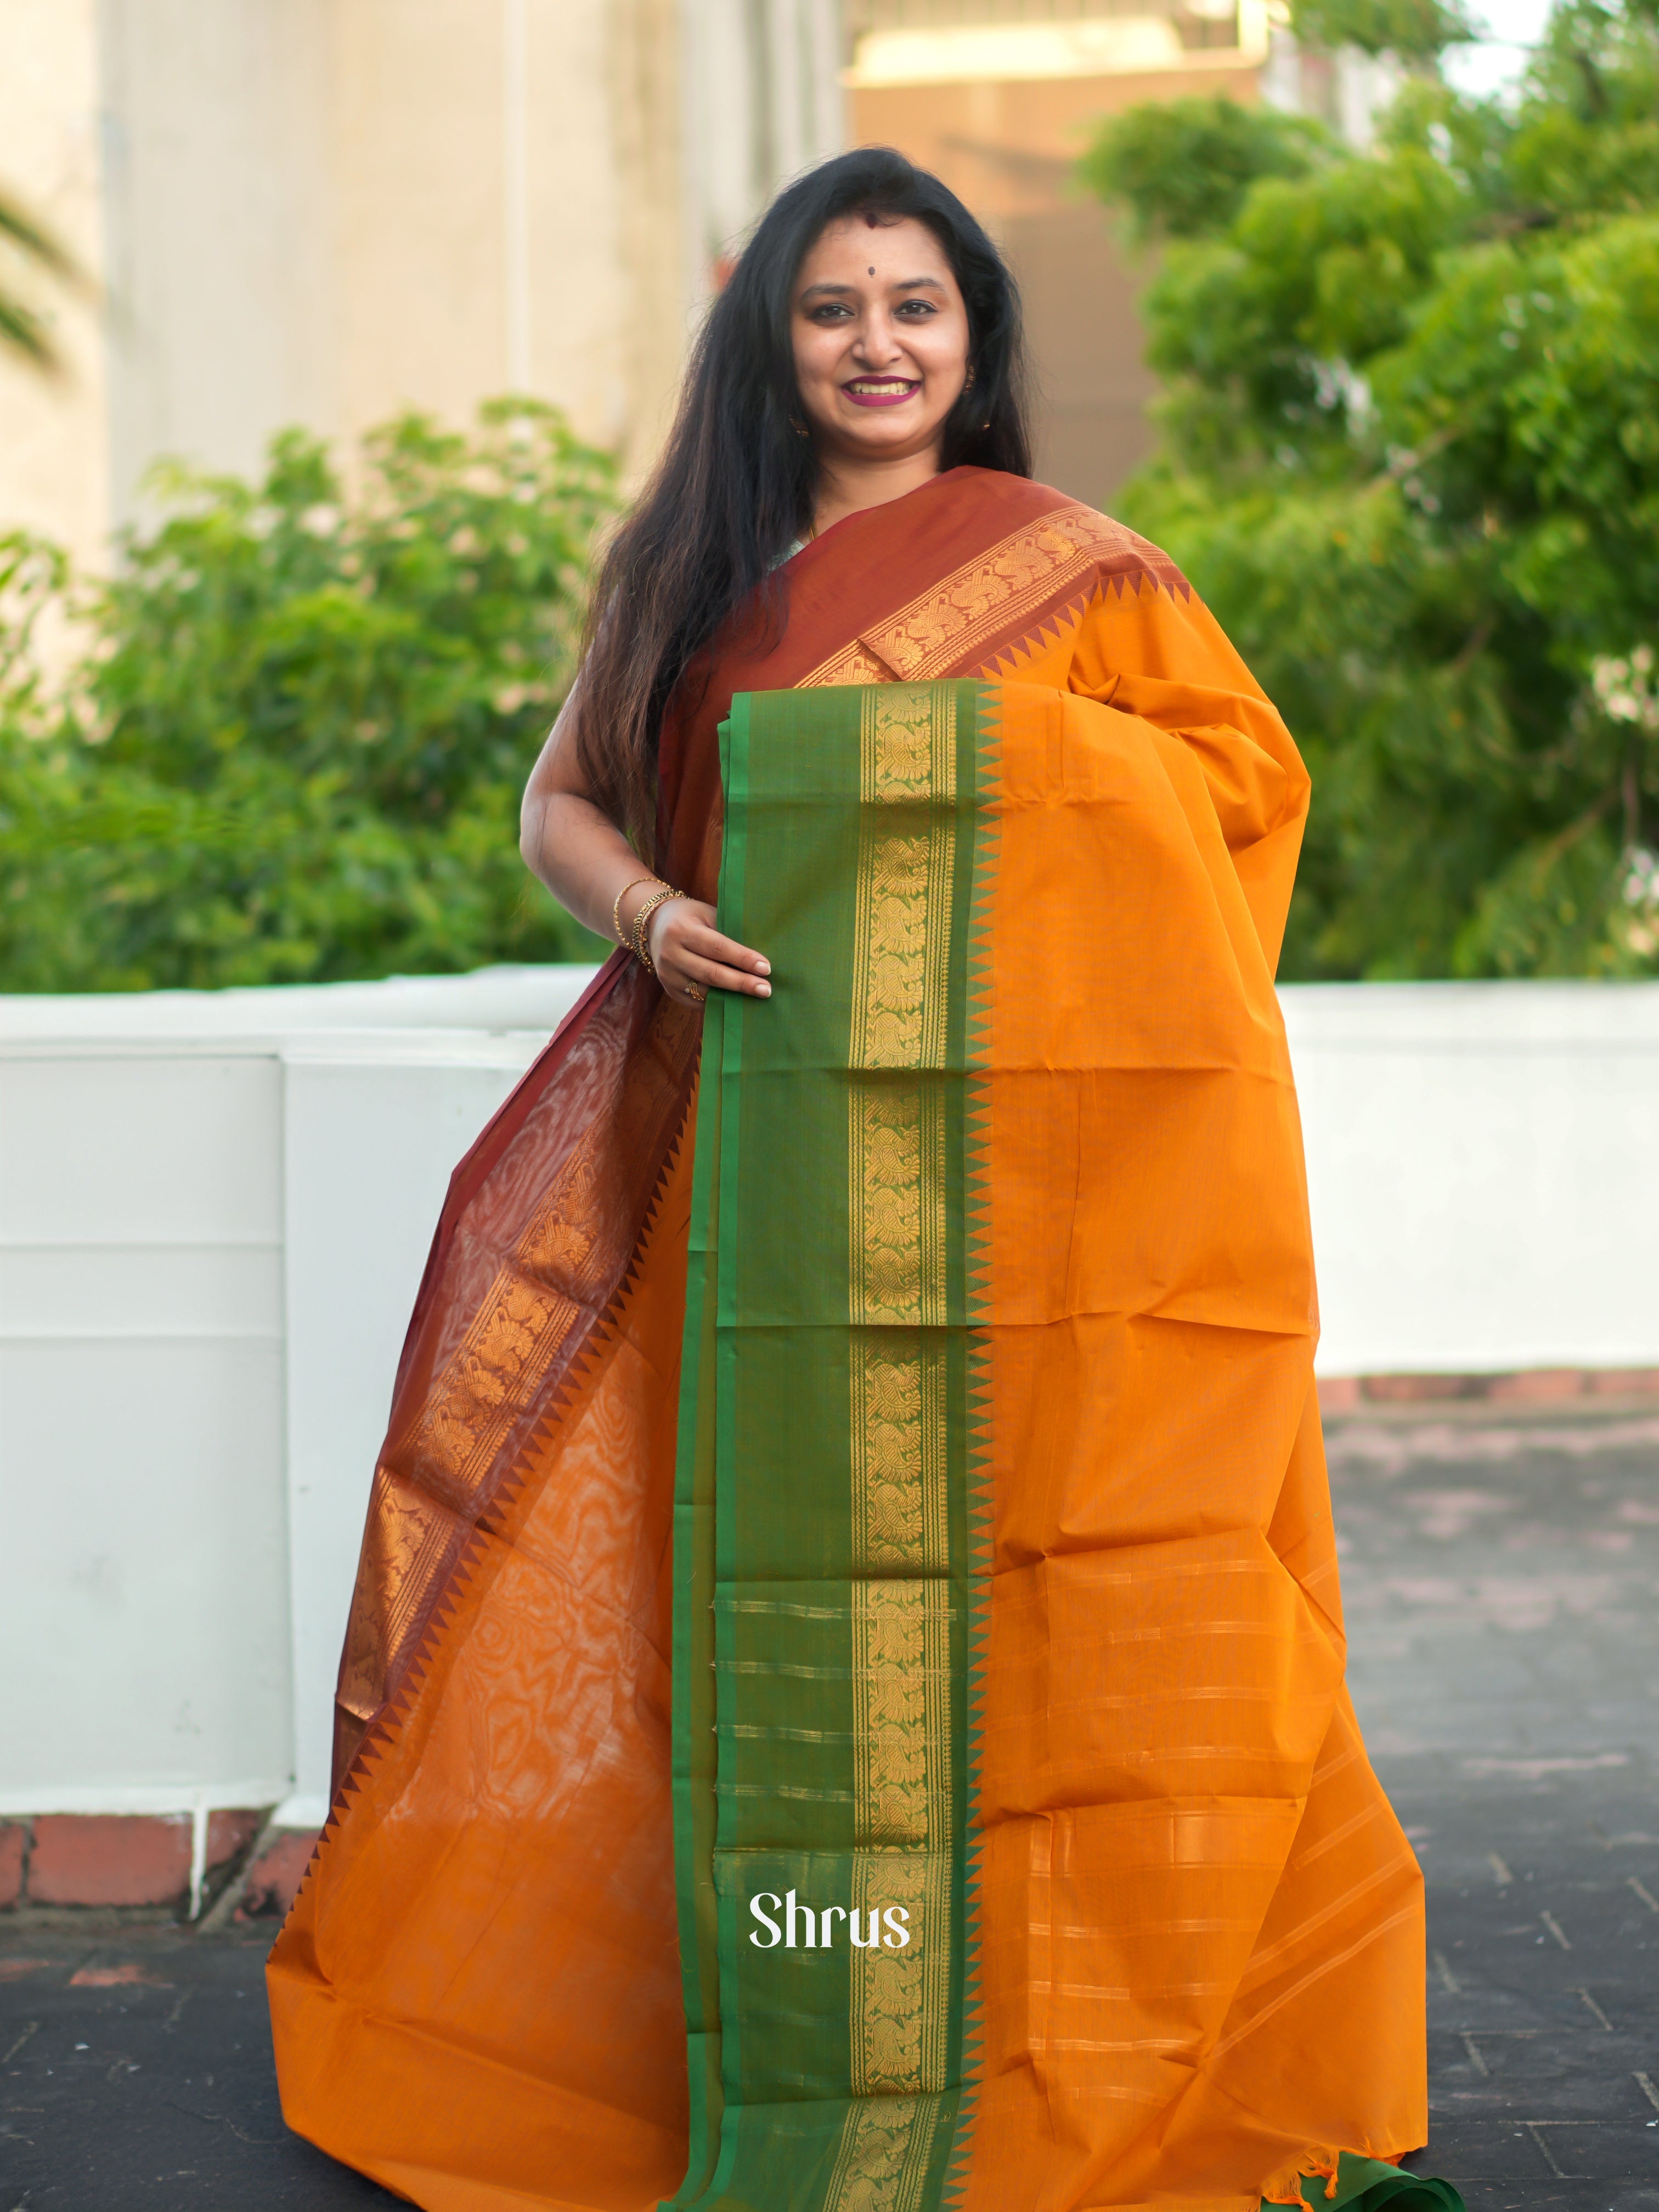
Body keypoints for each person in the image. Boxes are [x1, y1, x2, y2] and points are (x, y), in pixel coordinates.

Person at [268, 149, 1455, 2212]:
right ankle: (768, 2044)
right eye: (834, 309)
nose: (877, 344)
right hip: (734, 1183)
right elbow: (563, 800)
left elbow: (1240, 802)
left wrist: (1034, 784)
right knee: (725, 1608)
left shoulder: (1081, 569)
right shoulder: (686, 570)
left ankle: (1065, 2048)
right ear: (774, 339)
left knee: (1046, 1615)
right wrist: (645, 914)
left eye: (917, 304)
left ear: (973, 334)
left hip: (1022, 1205)